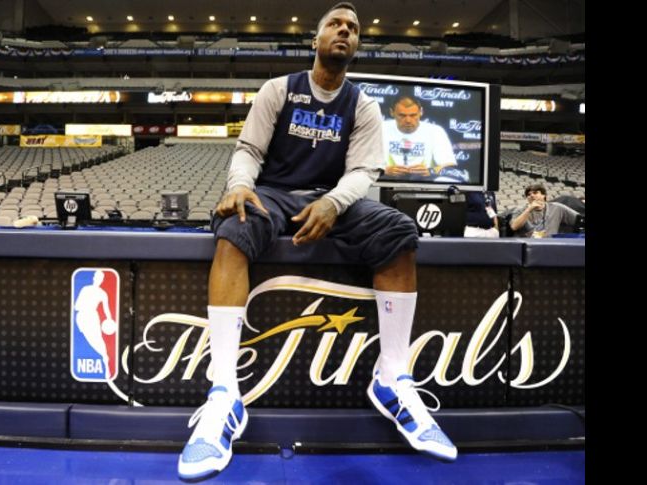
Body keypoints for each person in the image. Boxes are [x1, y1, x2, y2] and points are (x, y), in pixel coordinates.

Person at [177, 3, 457, 480]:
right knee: (233, 228)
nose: (343, 31)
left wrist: (332, 204)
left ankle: (392, 377)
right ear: (317, 39)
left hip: (334, 201)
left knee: (399, 231)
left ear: (357, 45)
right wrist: (240, 184)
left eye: (352, 28)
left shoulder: (363, 106)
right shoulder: (279, 90)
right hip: (274, 195)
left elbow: (364, 172)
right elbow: (248, 151)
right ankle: (224, 390)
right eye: (335, 24)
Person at [382, 96, 463, 182]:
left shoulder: (435, 130)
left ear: (421, 112)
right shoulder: (380, 128)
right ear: (392, 112)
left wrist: (430, 171)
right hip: (387, 180)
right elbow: (367, 163)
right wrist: (384, 171)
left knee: (449, 180)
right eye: (402, 115)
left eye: (413, 115)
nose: (408, 120)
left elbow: (449, 165)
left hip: (425, 182)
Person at [74, 270, 115, 379]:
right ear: (94, 278)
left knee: (98, 340)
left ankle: (105, 362)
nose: (98, 279)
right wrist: (84, 306)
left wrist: (110, 320)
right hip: (82, 317)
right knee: (86, 339)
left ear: (102, 280)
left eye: (100, 278)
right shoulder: (85, 289)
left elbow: (106, 310)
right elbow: (76, 306)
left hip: (92, 317)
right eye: (97, 277)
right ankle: (104, 358)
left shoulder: (102, 293)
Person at [510, 183, 580, 238]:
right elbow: (514, 227)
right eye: (528, 194)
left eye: (535, 193)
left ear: (544, 195)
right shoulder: (520, 209)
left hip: (549, 244)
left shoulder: (557, 208)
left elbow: (579, 220)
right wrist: (529, 209)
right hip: (528, 243)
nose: (531, 195)